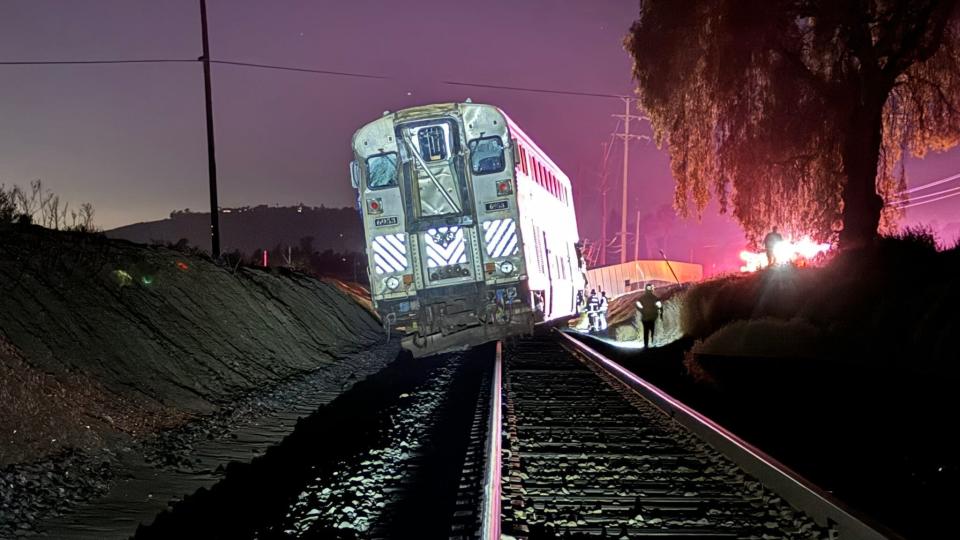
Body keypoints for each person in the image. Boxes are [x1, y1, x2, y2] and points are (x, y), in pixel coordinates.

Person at [635, 283, 663, 348]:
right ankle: (653, 344)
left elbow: (637, 304)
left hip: (645, 318)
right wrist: (661, 315)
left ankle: (646, 346)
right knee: (653, 331)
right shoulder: (654, 298)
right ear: (651, 290)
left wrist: (641, 310)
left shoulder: (642, 298)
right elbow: (660, 306)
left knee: (646, 332)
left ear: (645, 289)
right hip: (652, 318)